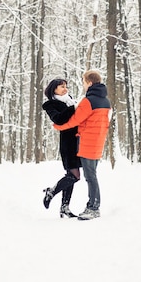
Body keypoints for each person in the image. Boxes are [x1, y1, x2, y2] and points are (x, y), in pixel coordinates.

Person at [52, 70, 110, 220]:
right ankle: (93, 205)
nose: (83, 85)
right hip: (98, 142)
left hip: (87, 143)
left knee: (91, 177)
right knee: (92, 176)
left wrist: (58, 127)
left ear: (89, 83)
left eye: (84, 82)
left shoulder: (88, 101)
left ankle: (93, 207)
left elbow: (75, 120)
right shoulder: (106, 101)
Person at [42, 78, 81, 218]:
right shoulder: (50, 105)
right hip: (68, 144)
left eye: (66, 86)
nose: (65, 89)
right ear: (54, 90)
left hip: (77, 141)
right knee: (75, 176)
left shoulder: (70, 101)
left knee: (71, 176)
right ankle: (51, 192)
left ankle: (64, 208)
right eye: (61, 87)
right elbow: (58, 119)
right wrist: (74, 109)